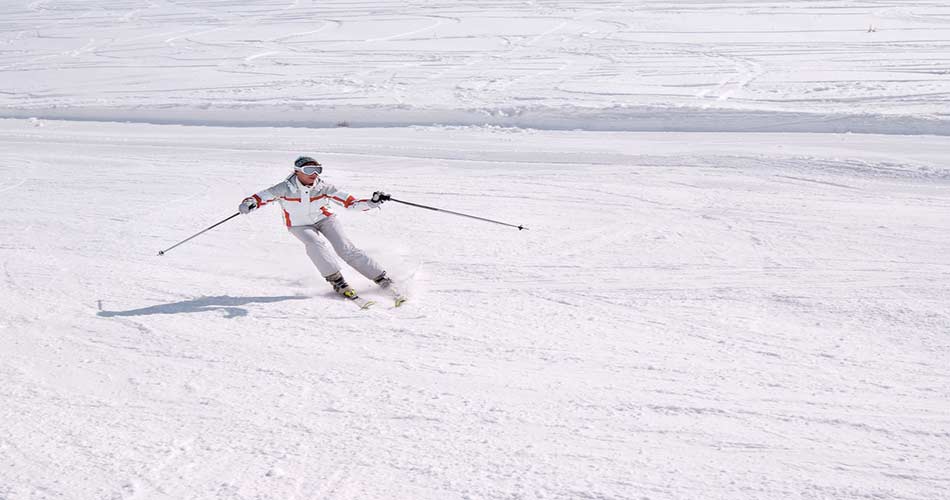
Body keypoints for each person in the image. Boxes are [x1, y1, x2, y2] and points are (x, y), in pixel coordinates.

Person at [238, 156, 403, 304]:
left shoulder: (324, 187)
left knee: (345, 248)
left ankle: (382, 279)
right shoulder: (284, 188)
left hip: (325, 219)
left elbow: (351, 203)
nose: (314, 174)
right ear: (297, 172)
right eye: (309, 170)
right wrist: (249, 203)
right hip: (299, 225)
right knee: (314, 244)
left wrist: (373, 202)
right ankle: (337, 281)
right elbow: (261, 198)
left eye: (318, 170)